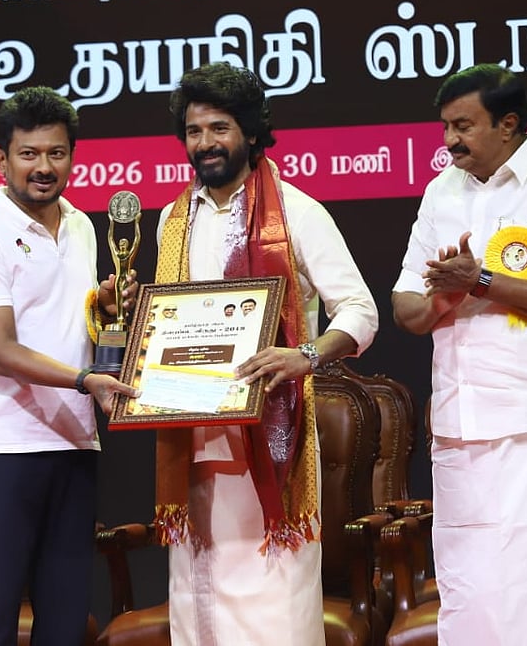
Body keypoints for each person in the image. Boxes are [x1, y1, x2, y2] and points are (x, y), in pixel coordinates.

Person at [155, 62, 378, 646]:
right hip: (193, 434)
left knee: (273, 606)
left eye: (219, 128)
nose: (205, 143)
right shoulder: (172, 221)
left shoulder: (298, 213)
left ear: (252, 133)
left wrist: (304, 354)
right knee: (197, 598)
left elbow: (360, 312)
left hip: (275, 435)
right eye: (194, 130)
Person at [392, 64, 527, 646]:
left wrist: (481, 281)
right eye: (445, 127)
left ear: (508, 124)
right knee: (470, 589)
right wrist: (448, 294)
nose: (450, 140)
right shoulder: (441, 192)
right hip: (458, 425)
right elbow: (407, 308)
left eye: (463, 125)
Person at [0, 87, 138, 646]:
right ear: (1, 160)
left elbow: (68, 321)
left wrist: (105, 309)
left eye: (56, 153)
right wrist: (83, 380)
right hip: (0, 449)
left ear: (72, 156)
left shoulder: (82, 226)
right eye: (28, 154)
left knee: (66, 619)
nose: (43, 167)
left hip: (73, 442)